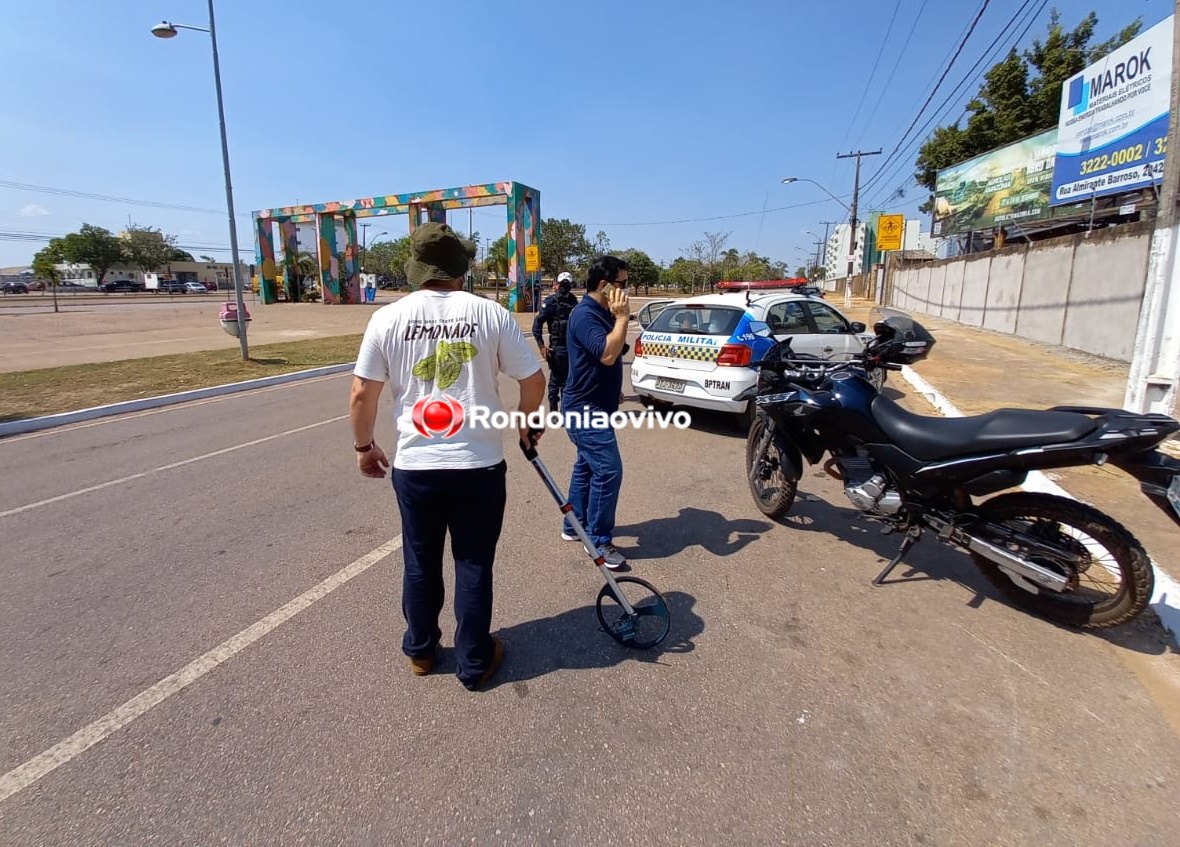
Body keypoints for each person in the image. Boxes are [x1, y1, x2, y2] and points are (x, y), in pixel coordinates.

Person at [349, 222, 546, 691]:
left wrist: (363, 447)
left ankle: (421, 651)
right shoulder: (490, 313)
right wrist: (527, 420)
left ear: (416, 268)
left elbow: (362, 394)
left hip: (417, 467)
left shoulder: (387, 318)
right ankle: (474, 661)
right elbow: (533, 380)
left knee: (420, 561)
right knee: (473, 562)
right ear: (461, 267)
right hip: (477, 466)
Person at [561, 255, 631, 571]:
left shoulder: (602, 311)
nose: (626, 290)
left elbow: (612, 354)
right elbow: (605, 353)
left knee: (587, 467)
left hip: (597, 405)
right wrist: (623, 318)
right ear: (604, 286)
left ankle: (573, 526)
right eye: (622, 284)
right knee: (608, 470)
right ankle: (598, 541)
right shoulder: (585, 315)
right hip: (583, 409)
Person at [531, 271, 579, 410]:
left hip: (572, 348)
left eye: (567, 284)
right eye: (563, 284)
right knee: (555, 381)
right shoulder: (551, 302)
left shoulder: (573, 301)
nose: (565, 287)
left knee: (569, 381)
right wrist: (541, 346)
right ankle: (553, 410)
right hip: (557, 348)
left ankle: (566, 410)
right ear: (557, 284)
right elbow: (536, 326)